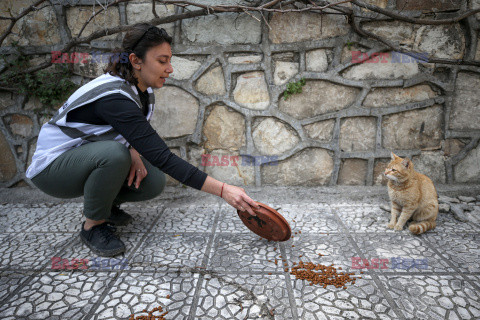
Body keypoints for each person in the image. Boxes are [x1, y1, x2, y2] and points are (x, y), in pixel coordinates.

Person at [26, 23, 259, 257]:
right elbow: (162, 157)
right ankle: (93, 225)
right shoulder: (114, 97)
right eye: (162, 61)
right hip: (52, 169)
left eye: (169, 60)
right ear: (136, 61)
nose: (170, 69)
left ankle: (105, 207)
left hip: (83, 156)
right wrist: (223, 190)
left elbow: (130, 134)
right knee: (114, 155)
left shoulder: (141, 91)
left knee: (152, 180)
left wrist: (133, 152)